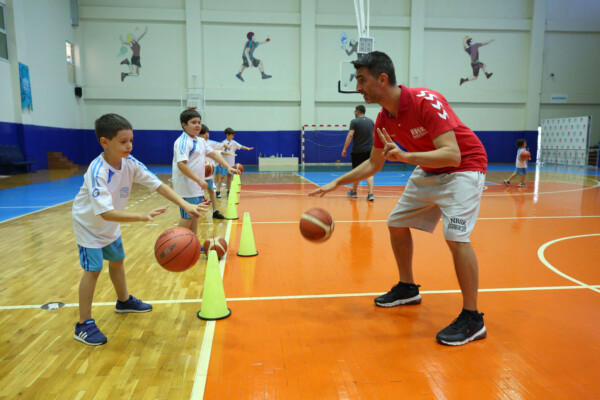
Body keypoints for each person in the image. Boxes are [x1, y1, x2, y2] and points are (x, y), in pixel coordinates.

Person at [309, 51, 488, 346]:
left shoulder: (425, 101)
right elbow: (373, 164)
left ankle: (473, 318)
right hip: (430, 169)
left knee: (456, 237)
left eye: (362, 80)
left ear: (382, 79)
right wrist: (337, 182)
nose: (358, 87)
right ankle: (408, 288)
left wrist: (407, 156)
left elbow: (452, 153)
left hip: (464, 167)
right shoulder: (383, 118)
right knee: (396, 222)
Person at [72, 113, 209, 346]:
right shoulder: (98, 171)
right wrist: (140, 216)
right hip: (89, 227)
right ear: (105, 142)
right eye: (123, 142)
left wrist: (186, 204)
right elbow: (104, 213)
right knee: (93, 271)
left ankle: (123, 301)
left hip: (110, 224)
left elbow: (158, 185)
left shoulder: (130, 163)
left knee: (118, 261)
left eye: (131, 140)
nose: (129, 146)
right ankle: (83, 324)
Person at [173, 110, 239, 233]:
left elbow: (213, 154)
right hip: (188, 187)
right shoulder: (182, 142)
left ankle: (193, 245)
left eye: (199, 122)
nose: (198, 125)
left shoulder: (200, 141)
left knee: (195, 216)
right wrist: (198, 180)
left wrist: (227, 167)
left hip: (197, 185)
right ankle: (179, 246)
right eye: (193, 122)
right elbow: (181, 165)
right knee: (187, 217)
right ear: (184, 125)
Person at [199, 124, 234, 219]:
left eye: (207, 133)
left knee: (211, 192)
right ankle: (197, 211)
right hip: (198, 175)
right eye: (204, 133)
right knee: (198, 194)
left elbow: (219, 145)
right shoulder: (195, 144)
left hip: (208, 174)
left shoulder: (209, 143)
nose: (207, 134)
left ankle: (215, 211)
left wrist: (225, 144)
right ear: (198, 134)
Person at [341, 105, 375, 201]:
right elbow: (374, 136)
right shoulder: (371, 121)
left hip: (358, 151)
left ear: (357, 111)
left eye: (355, 111)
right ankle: (371, 194)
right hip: (370, 150)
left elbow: (350, 134)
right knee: (369, 172)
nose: (354, 113)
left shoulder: (354, 121)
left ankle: (354, 192)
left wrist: (344, 148)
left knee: (356, 172)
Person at [214, 127, 254, 198]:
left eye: (233, 135)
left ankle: (228, 190)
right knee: (222, 177)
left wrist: (247, 148)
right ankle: (218, 191)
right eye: (231, 135)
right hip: (224, 163)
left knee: (229, 177)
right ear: (227, 135)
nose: (233, 136)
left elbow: (240, 146)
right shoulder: (223, 143)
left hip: (231, 163)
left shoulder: (233, 142)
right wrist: (230, 154)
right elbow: (222, 153)